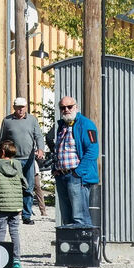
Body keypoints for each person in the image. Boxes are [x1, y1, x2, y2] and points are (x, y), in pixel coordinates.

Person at [51, 96, 99, 227]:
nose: (66, 110)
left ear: (76, 107)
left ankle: (85, 246)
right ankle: (70, 247)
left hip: (77, 177)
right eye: (62, 108)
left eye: (69, 107)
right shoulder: (62, 126)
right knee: (67, 219)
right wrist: (55, 168)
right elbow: (59, 149)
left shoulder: (86, 124)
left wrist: (78, 173)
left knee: (80, 218)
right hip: (62, 175)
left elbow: (92, 151)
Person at [0, 140, 31, 268]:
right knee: (14, 231)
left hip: (1, 205)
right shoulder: (17, 164)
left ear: (2, 152)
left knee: (1, 231)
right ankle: (16, 259)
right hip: (15, 205)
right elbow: (25, 184)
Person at [0, 97, 45, 224]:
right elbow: (2, 140)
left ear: (26, 107)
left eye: (23, 107)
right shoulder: (7, 121)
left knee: (29, 187)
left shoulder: (32, 120)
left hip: (29, 158)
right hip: (13, 159)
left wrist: (40, 149)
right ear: (14, 107)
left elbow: (38, 136)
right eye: (18, 107)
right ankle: (11, 213)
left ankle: (26, 215)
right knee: (11, 188)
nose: (21, 110)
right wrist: (2, 155)